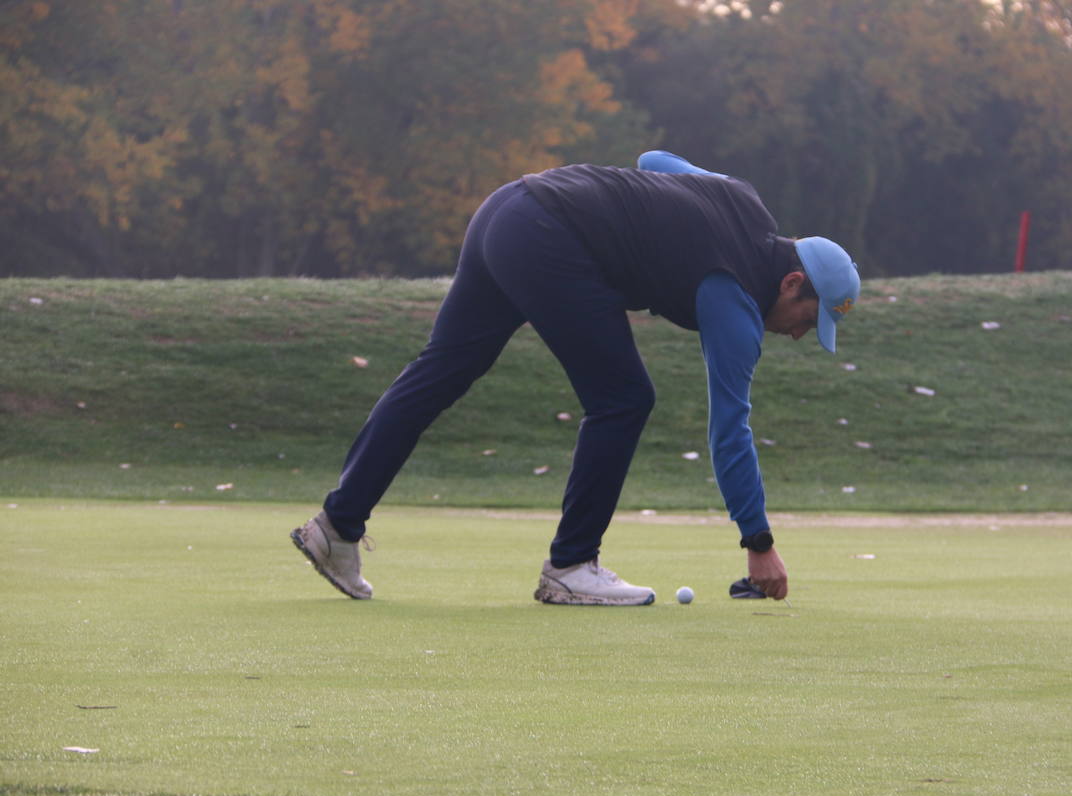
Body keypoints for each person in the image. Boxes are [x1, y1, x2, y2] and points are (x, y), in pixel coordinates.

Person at [290, 150, 860, 606]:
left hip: (509, 207)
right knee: (624, 399)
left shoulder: (743, 198)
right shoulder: (734, 300)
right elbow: (729, 428)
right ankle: (571, 566)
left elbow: (654, 160)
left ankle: (337, 525)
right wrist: (758, 544)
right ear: (790, 284)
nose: (797, 336)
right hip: (550, 237)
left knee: (442, 370)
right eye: (808, 321)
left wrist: (663, 222)